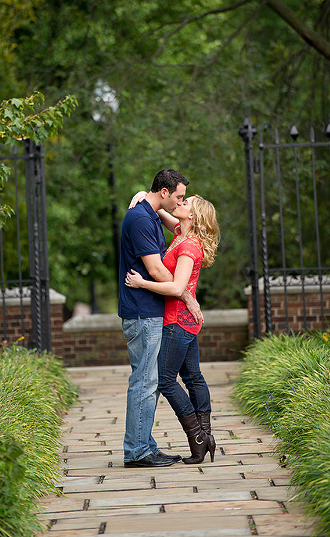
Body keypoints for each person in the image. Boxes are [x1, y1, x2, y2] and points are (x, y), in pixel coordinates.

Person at [125, 195, 220, 464]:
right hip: (185, 320)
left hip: (177, 322)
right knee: (193, 378)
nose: (180, 203)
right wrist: (144, 194)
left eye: (186, 202)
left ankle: (198, 437)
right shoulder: (181, 232)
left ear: (194, 215)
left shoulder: (189, 246)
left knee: (166, 380)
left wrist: (143, 283)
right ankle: (205, 438)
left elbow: (178, 288)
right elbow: (157, 208)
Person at [118, 168, 203, 468]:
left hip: (149, 310)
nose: (180, 202)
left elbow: (178, 224)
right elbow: (155, 270)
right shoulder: (142, 218)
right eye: (178, 196)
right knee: (145, 381)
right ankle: (138, 451)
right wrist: (185, 295)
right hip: (142, 311)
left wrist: (140, 194)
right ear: (165, 192)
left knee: (150, 380)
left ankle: (144, 445)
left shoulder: (150, 214)